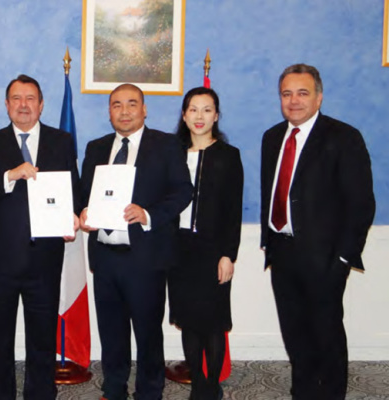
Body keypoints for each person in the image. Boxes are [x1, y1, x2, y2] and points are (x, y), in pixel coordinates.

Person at [260, 64, 375, 399]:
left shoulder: (344, 137)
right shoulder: (271, 137)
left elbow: (361, 204)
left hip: (325, 258)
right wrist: (270, 246)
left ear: (319, 97)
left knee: (326, 338)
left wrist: (342, 257)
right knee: (295, 336)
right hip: (282, 254)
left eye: (302, 92)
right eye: (286, 94)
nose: (294, 101)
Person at [0, 74, 80, 399]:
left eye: (30, 98)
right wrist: (9, 176)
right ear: (6, 105)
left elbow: (74, 187)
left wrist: (75, 211)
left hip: (45, 260)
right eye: (16, 98)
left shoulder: (61, 141)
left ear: (41, 105)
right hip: (1, 262)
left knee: (42, 339)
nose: (23, 105)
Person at [80, 83, 192, 400]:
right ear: (109, 111)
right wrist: (83, 211)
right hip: (104, 256)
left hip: (146, 257)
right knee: (112, 333)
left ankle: (150, 392)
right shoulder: (96, 147)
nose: (125, 111)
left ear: (144, 109)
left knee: (147, 333)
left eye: (132, 104)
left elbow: (183, 191)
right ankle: (114, 389)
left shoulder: (167, 145)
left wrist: (148, 213)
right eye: (117, 104)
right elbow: (82, 192)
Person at [167, 87, 243, 400]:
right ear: (184, 116)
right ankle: (198, 384)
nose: (200, 116)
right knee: (188, 320)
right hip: (179, 249)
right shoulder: (171, 153)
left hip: (213, 251)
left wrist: (229, 255)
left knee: (212, 322)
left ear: (216, 115)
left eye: (207, 109)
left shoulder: (228, 156)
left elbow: (233, 210)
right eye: (193, 110)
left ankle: (212, 388)